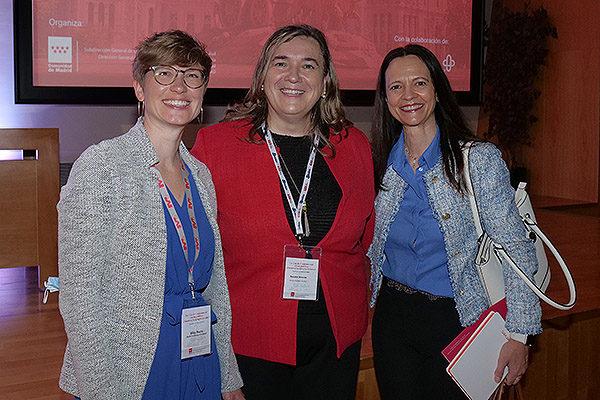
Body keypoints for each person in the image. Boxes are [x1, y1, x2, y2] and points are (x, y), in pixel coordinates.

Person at [190, 24, 375, 400]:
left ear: (325, 82)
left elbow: (365, 238)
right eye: (281, 63)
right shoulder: (216, 146)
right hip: (249, 340)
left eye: (308, 65)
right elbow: (197, 257)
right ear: (262, 78)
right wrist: (218, 361)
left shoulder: (354, 146)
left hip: (336, 341)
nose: (293, 76)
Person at [58, 30, 244, 400]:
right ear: (140, 89)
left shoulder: (201, 176)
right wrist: (102, 393)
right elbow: (80, 298)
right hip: (130, 367)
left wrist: (229, 378)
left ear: (202, 93)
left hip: (198, 355)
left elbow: (215, 288)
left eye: (192, 76)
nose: (179, 86)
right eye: (163, 73)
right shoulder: (102, 167)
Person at [367, 44, 542, 399]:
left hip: (456, 322)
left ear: (436, 90)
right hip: (393, 320)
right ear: (385, 99)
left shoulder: (478, 160)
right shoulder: (381, 161)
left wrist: (520, 336)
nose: (408, 95)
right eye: (396, 87)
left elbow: (516, 250)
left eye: (419, 83)